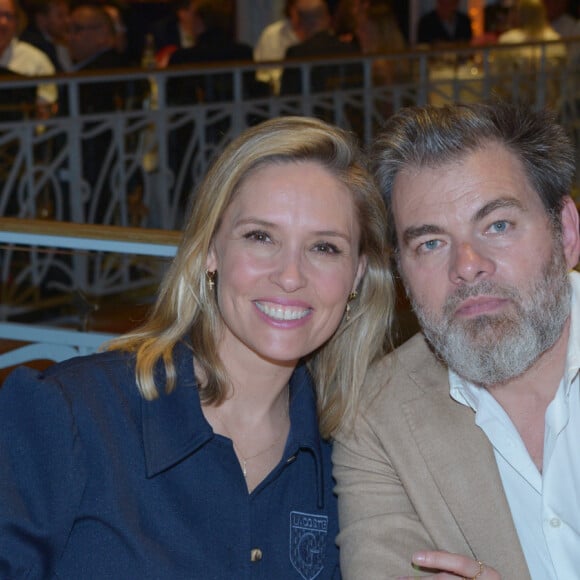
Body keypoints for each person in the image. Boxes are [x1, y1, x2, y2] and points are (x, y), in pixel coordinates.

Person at [0, 115, 394, 578]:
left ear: (358, 275)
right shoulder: (70, 415)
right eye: (260, 237)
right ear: (210, 250)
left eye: (324, 247)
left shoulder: (353, 464)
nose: (290, 276)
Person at [333, 100, 580, 579]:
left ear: (566, 232)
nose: (467, 264)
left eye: (498, 225)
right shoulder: (376, 417)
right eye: (430, 243)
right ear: (401, 271)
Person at [0, 0, 57, 111]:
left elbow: (46, 112)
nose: (3, 22)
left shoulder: (36, 60)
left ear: (17, 22)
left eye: (8, 16)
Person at [254, 0, 301, 94]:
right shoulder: (272, 35)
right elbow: (262, 74)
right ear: (291, 8)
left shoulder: (322, 38)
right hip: (277, 97)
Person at [20, 0, 71, 71]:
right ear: (41, 19)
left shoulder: (53, 41)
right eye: (60, 16)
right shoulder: (37, 46)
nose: (67, 20)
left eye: (67, 14)